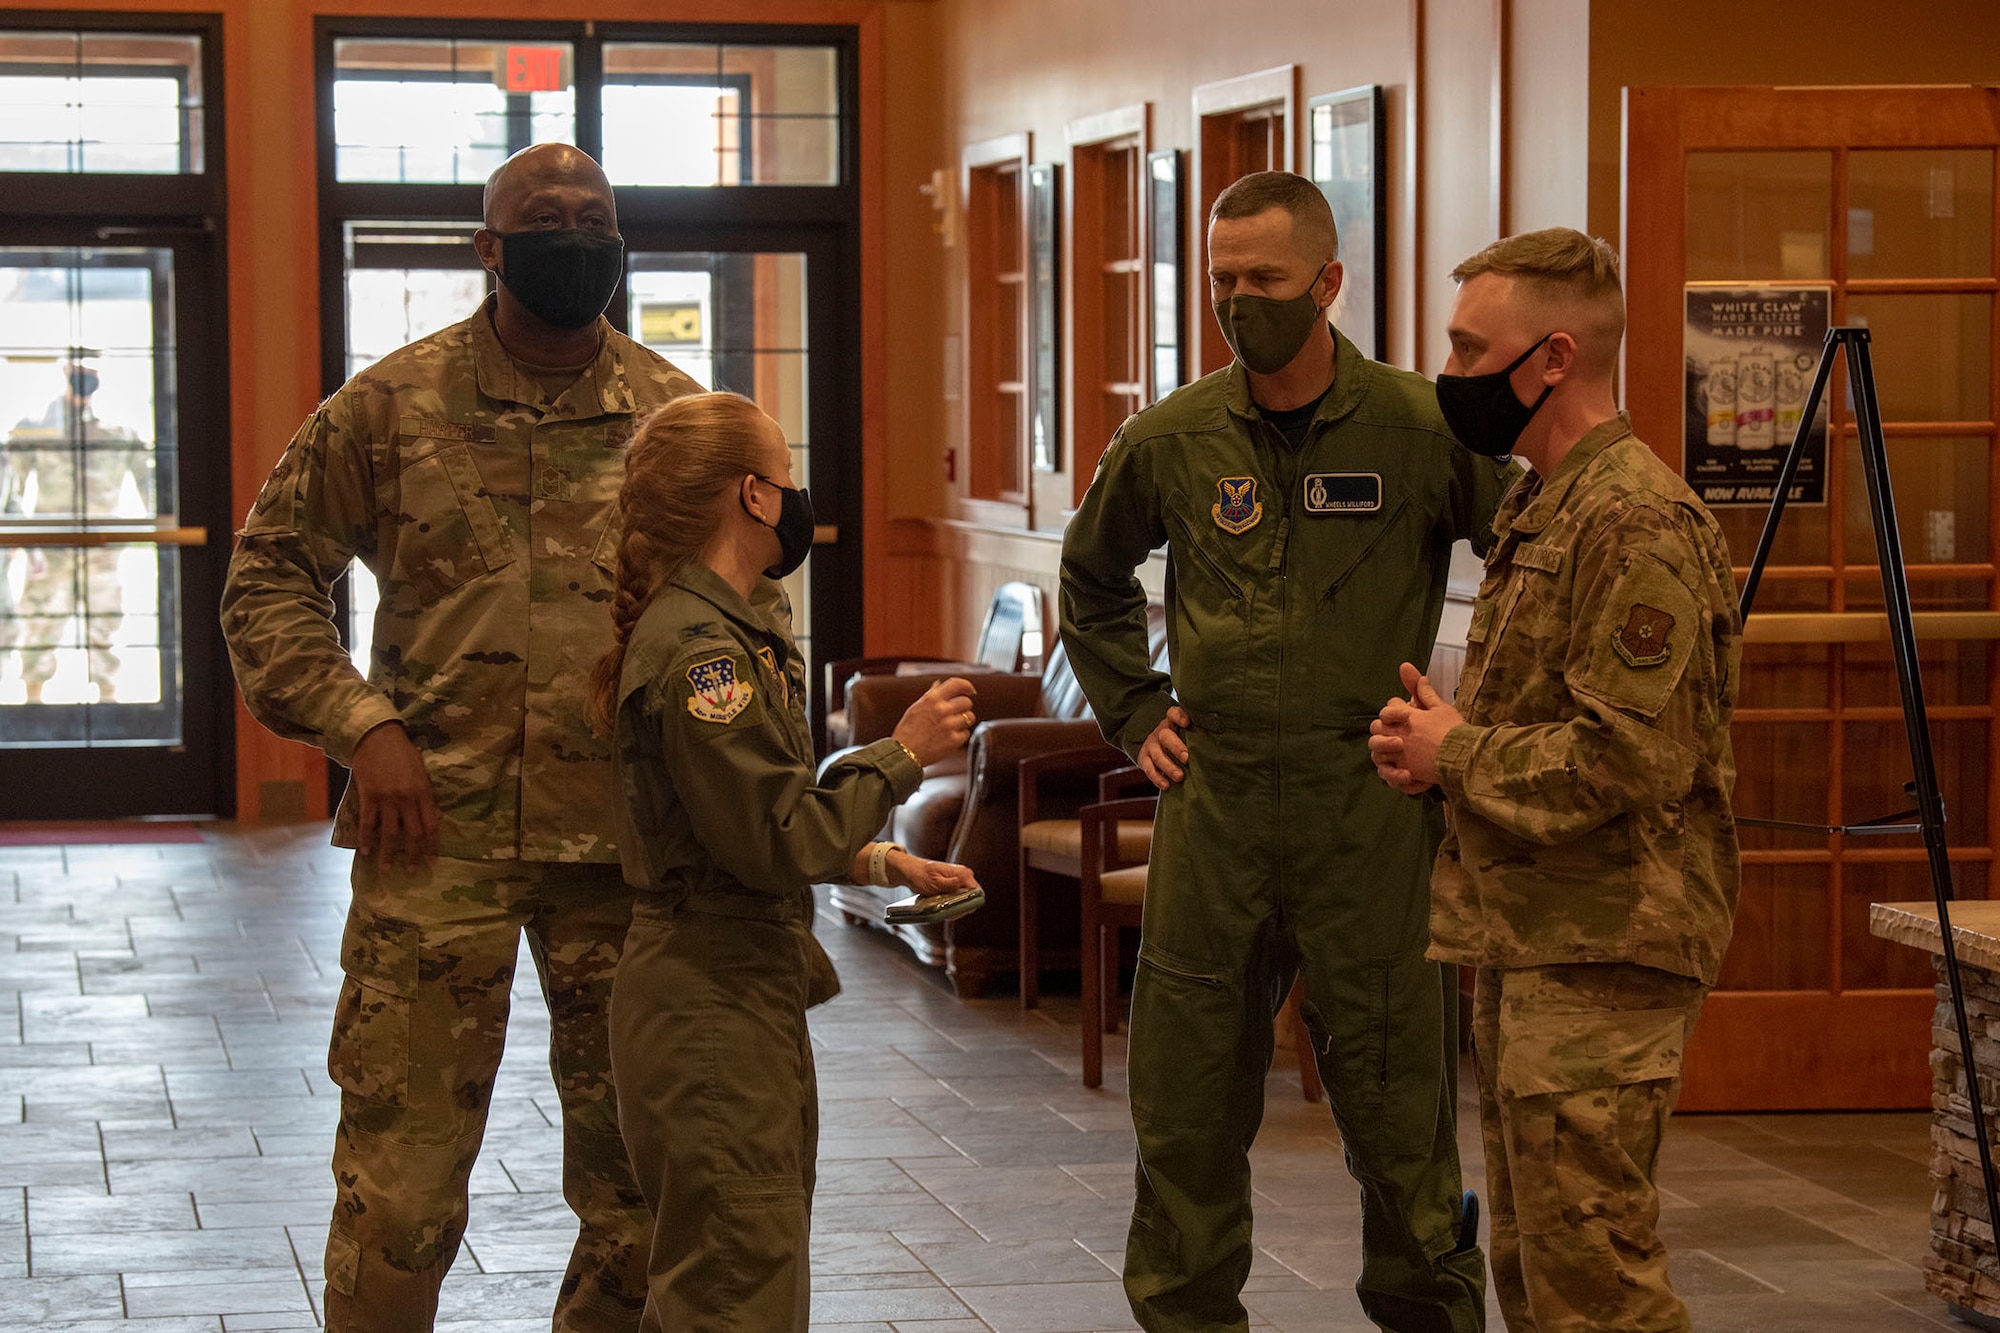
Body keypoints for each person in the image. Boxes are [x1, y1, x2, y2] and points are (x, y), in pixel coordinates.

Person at [221, 143, 701, 1333]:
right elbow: (268, 580)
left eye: (597, 216)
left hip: (631, 853)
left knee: (642, 1179)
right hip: (434, 832)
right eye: (547, 218)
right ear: (490, 247)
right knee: (401, 1182)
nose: (576, 234)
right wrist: (359, 724)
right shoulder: (390, 407)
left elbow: (739, 624)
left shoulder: (675, 417)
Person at [1059, 170, 1515, 1333]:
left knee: (1399, 1117)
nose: (1236, 302)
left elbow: (1532, 553)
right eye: (1219, 281)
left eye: (1261, 279)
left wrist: (1475, 731)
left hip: (1364, 807)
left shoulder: (1420, 427)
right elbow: (1091, 580)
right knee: (1185, 1119)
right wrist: (1133, 706)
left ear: (1326, 281)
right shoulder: (1170, 437)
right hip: (1212, 813)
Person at [1367, 228, 1740, 1332]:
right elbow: (1553, 716)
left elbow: (1629, 756)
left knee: (1596, 1278)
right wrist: (1442, 743)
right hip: (1536, 931)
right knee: (1536, 1272)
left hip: (1608, 943)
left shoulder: (1634, 519)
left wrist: (1458, 754)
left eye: (1469, 349)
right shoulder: (1547, 499)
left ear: (1553, 359)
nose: (1451, 375)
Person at [591, 390, 981, 1331]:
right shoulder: (699, 655)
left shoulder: (734, 625)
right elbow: (773, 838)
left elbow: (755, 815)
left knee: (739, 1270)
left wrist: (887, 861)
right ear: (754, 497)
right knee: (735, 1290)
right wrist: (904, 750)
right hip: (709, 999)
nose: (800, 492)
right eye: (787, 471)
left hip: (740, 986)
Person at [4, 359, 154, 702]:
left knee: (105, 624)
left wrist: (162, 526)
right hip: (51, 544)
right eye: (79, 366)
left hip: (101, 548)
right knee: (40, 622)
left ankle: (108, 700)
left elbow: (152, 484)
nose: (86, 374)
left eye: (93, 367)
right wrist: (21, 541)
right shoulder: (37, 430)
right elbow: (11, 487)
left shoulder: (118, 435)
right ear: (65, 372)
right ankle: (33, 702)